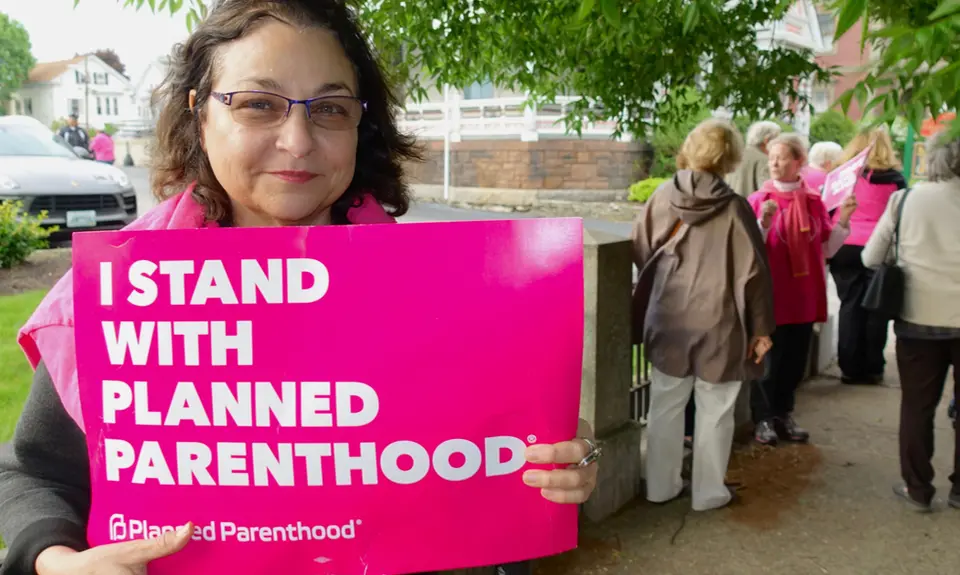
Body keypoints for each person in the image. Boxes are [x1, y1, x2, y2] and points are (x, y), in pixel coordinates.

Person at [0, 2, 600, 574]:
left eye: (330, 109)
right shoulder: (118, 296)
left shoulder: (455, 296)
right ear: (199, 114)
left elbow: (495, 483)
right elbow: (33, 472)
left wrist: (561, 466)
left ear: (361, 125)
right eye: (258, 104)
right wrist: (57, 560)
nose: (298, 140)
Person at [633, 119, 775, 511]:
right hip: (721, 322)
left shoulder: (661, 197)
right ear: (730, 157)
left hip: (670, 316)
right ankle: (708, 494)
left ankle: (660, 486)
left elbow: (642, 250)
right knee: (715, 409)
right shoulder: (734, 208)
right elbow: (754, 274)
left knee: (664, 404)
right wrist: (761, 328)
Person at [862, 129, 960, 512]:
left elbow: (872, 258)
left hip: (917, 320)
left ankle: (918, 488)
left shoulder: (904, 201)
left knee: (917, 406)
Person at [747, 133, 858, 446]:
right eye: (771, 158)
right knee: (767, 361)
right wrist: (764, 223)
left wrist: (844, 221)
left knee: (795, 360)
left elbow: (826, 249)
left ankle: (784, 413)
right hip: (770, 294)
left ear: (799, 162)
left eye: (781, 158)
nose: (774, 164)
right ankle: (763, 418)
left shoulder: (813, 201)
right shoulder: (759, 200)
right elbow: (749, 249)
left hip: (803, 293)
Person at [831, 129, 906, 385]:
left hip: (845, 244)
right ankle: (873, 366)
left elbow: (828, 207)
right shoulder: (895, 179)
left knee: (850, 305)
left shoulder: (843, 176)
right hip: (879, 247)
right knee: (876, 308)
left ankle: (849, 368)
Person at [727, 121, 782, 197]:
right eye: (778, 141)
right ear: (767, 141)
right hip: (750, 207)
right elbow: (768, 194)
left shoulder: (734, 156)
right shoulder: (764, 161)